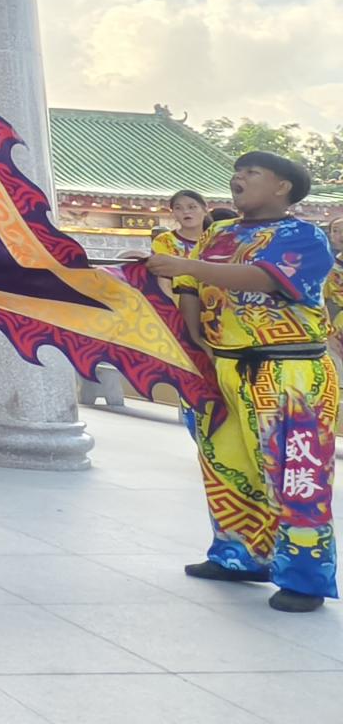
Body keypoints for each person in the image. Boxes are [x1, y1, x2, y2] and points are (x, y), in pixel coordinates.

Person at [140, 151, 337, 612]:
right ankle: (239, 556)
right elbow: (191, 285)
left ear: (283, 186)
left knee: (295, 475)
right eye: (238, 171)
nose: (238, 178)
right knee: (227, 466)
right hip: (223, 367)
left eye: (252, 173)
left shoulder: (304, 235)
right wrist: (192, 329)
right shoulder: (219, 231)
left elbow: (266, 278)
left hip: (287, 372)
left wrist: (187, 268)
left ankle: (305, 578)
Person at [153, 189, 211, 257]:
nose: (185, 211)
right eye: (178, 208)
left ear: (205, 210)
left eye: (192, 207)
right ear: (173, 213)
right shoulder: (164, 241)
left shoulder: (217, 239)